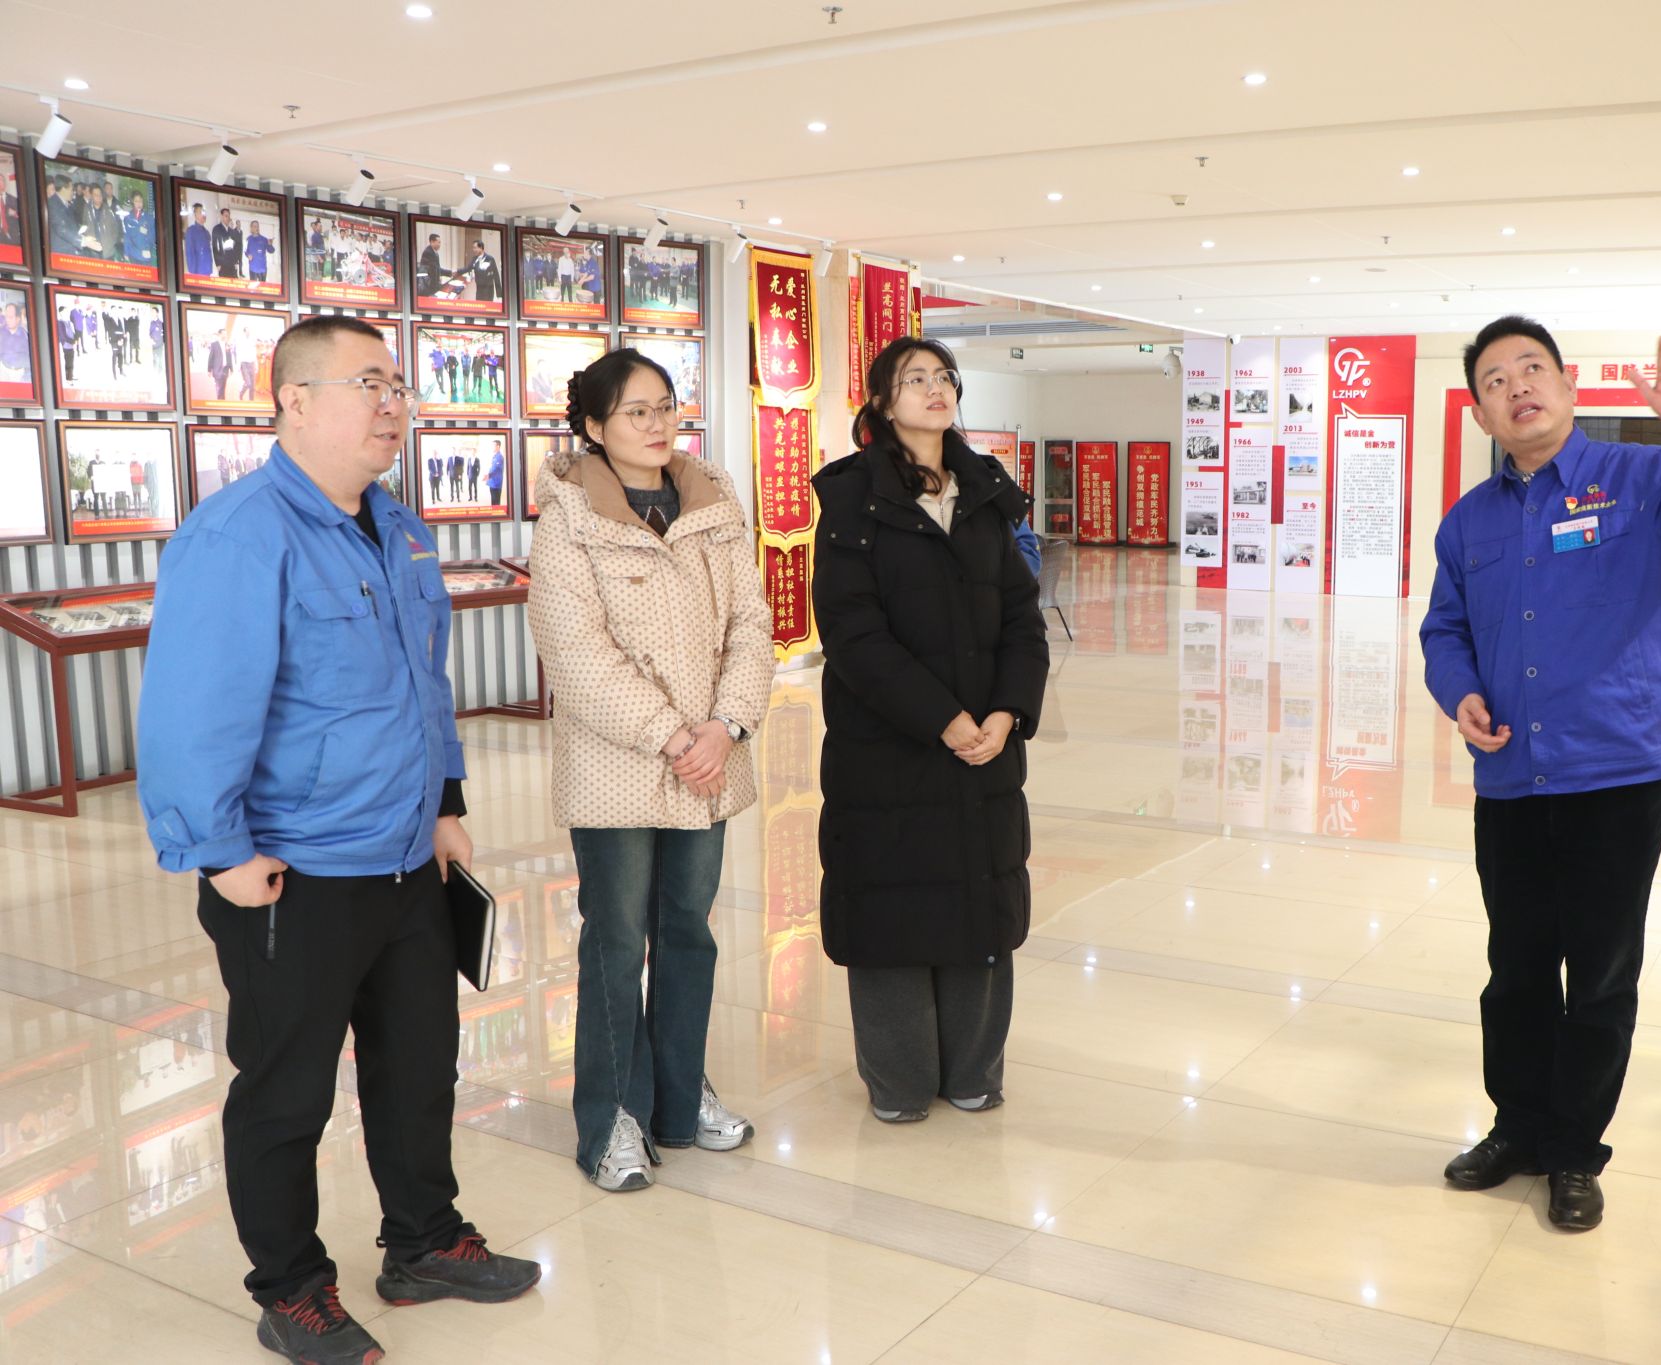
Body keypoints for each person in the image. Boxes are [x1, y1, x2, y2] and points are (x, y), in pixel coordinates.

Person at [135, 316, 541, 1364]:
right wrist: (219, 852)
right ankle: (291, 1289)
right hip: (295, 870)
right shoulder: (239, 535)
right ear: (294, 400)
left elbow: (425, 684)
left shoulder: (397, 527)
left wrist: (444, 800)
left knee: (419, 1066)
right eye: (369, 383)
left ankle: (424, 1242)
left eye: (398, 385)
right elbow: (191, 711)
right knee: (287, 1090)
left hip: (404, 857)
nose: (393, 404)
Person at [1420, 318, 1661, 1232]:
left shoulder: (1643, 478)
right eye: (1495, 380)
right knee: (1516, 970)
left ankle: (1576, 1149)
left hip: (1615, 778)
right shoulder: (1468, 522)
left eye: (1531, 368)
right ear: (1480, 413)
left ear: (1569, 384)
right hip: (1512, 779)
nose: (1517, 386)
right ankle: (1517, 1126)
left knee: (1602, 975)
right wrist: (1460, 692)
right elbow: (1444, 629)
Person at [525, 347, 773, 1190]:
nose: (658, 422)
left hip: (710, 758)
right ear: (595, 427)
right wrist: (673, 735)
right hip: (620, 766)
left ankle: (679, 1093)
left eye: (666, 405)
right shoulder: (568, 518)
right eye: (637, 410)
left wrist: (727, 725)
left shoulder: (712, 501)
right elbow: (575, 651)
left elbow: (752, 624)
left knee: (687, 931)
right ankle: (611, 1118)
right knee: (617, 938)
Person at [810, 337, 1048, 1123]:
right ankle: (901, 1078)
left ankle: (974, 1066)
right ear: (883, 401)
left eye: (944, 377)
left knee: (980, 902)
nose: (935, 388)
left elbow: (1022, 620)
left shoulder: (984, 492)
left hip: (985, 743)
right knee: (894, 907)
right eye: (915, 379)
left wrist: (1006, 713)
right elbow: (854, 635)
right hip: (891, 747)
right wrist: (944, 720)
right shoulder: (852, 499)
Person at [44, 176, 81, 258]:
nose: (73, 192)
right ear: (64, 189)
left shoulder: (68, 205)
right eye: (71, 189)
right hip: (60, 253)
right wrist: (82, 240)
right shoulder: (52, 203)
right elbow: (60, 228)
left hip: (70, 251)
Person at [122, 191, 155, 266]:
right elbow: (127, 237)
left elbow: (152, 236)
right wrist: (126, 253)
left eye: (140, 201)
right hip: (133, 255)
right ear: (133, 202)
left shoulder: (149, 218)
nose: (139, 203)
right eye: (136, 201)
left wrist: (148, 249)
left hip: (145, 255)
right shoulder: (128, 218)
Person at [212, 207, 244, 280]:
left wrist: (236, 262)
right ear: (221, 216)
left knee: (233, 282)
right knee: (224, 283)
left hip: (232, 263)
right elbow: (215, 247)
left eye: (229, 216)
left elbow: (234, 248)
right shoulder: (216, 229)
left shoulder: (231, 231)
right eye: (226, 216)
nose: (228, 218)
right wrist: (218, 264)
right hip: (222, 263)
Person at [183, 202, 213, 278]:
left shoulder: (206, 232)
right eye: (200, 212)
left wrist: (210, 268)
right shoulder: (191, 231)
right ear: (195, 214)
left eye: (204, 212)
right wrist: (193, 273)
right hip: (197, 271)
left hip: (207, 271)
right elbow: (189, 253)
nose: (203, 215)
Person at [415, 233, 446, 299]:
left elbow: (437, 268)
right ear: (432, 242)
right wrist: (450, 273)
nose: (439, 244)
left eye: (440, 242)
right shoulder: (428, 252)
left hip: (432, 283)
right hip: (428, 284)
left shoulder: (434, 252)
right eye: (438, 242)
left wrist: (439, 277)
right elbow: (434, 269)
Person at [246, 219, 274, 284]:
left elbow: (271, 251)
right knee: (253, 288)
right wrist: (248, 255)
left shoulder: (264, 239)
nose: (257, 228)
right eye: (254, 226)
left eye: (257, 226)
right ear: (251, 228)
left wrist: (270, 245)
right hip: (253, 269)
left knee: (262, 288)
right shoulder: (248, 239)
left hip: (262, 269)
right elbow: (245, 250)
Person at [484, 440, 504, 506]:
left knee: (496, 503)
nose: (492, 447)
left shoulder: (499, 457)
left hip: (496, 484)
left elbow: (495, 469)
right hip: (493, 483)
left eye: (493, 445)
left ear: (498, 446)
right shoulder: (495, 456)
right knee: (493, 502)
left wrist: (487, 476)